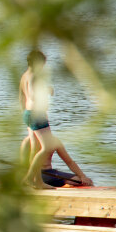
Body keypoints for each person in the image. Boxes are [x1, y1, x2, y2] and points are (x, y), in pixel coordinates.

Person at [19, 50, 93, 188]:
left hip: (28, 113)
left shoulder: (24, 76)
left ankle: (36, 181)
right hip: (37, 114)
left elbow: (22, 97)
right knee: (46, 147)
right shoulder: (35, 76)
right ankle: (31, 178)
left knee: (36, 147)